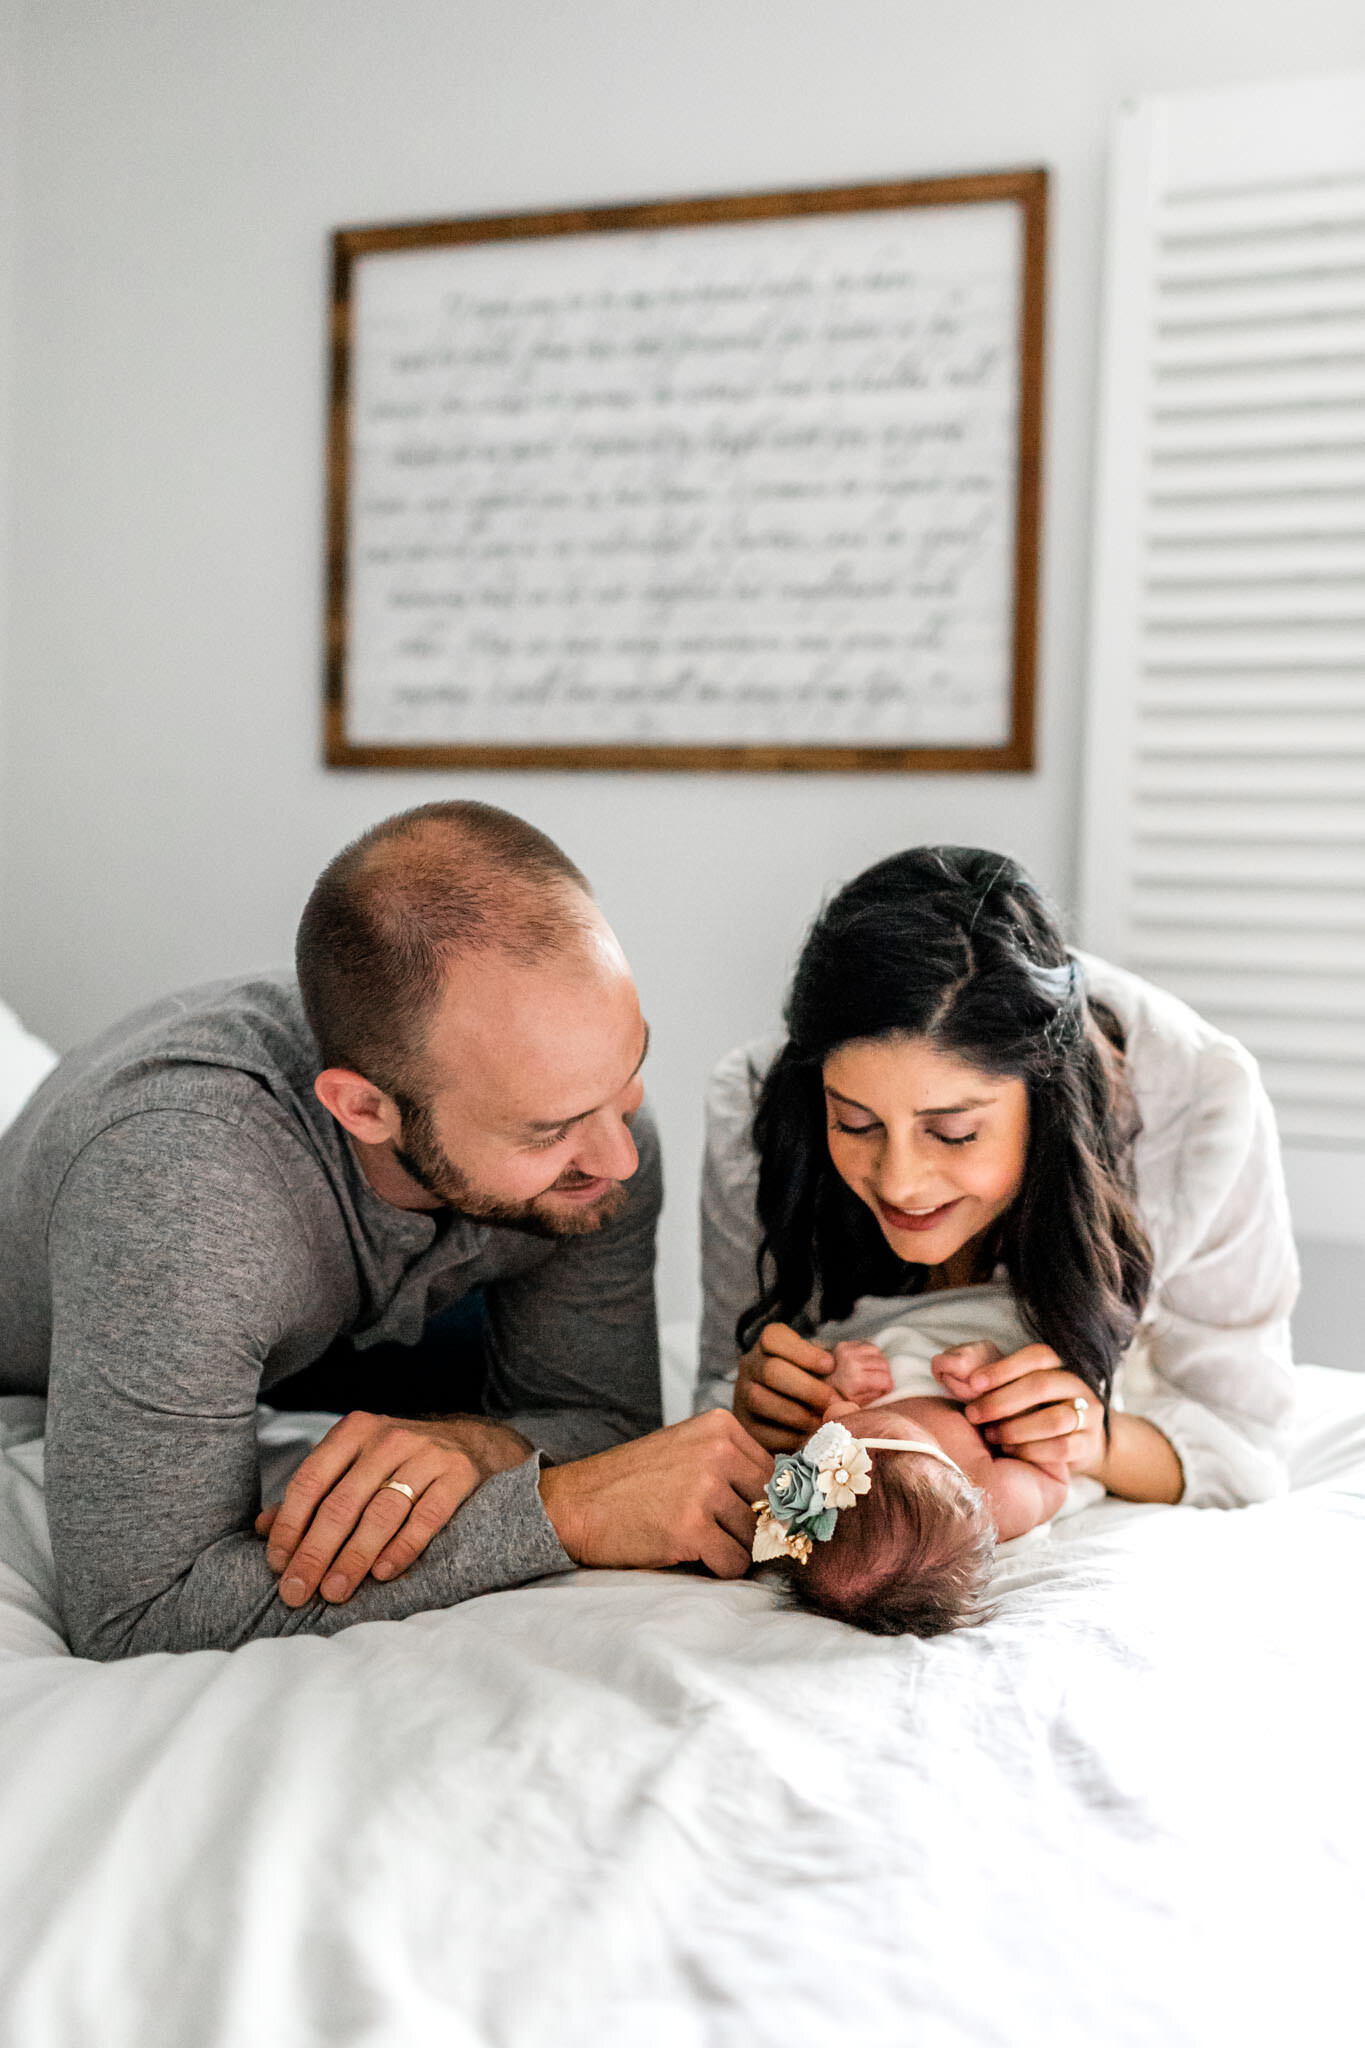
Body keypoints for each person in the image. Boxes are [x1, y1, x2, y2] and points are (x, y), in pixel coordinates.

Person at [0, 801, 769, 1659]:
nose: (619, 1156)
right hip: (162, 1308)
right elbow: (142, 1612)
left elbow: (603, 1428)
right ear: (364, 1108)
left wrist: (478, 1446)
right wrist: (557, 1512)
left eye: (626, 1078)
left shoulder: (586, 1122)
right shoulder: (181, 1193)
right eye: (546, 1130)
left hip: (373, 1308)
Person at [697, 844, 1299, 1525]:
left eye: (953, 1132)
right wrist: (756, 1409)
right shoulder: (759, 1109)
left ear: (1049, 1102)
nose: (899, 1182)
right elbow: (720, 1406)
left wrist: (1094, 1441)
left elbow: (1246, 1449)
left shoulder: (1198, 1111)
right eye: (856, 1123)